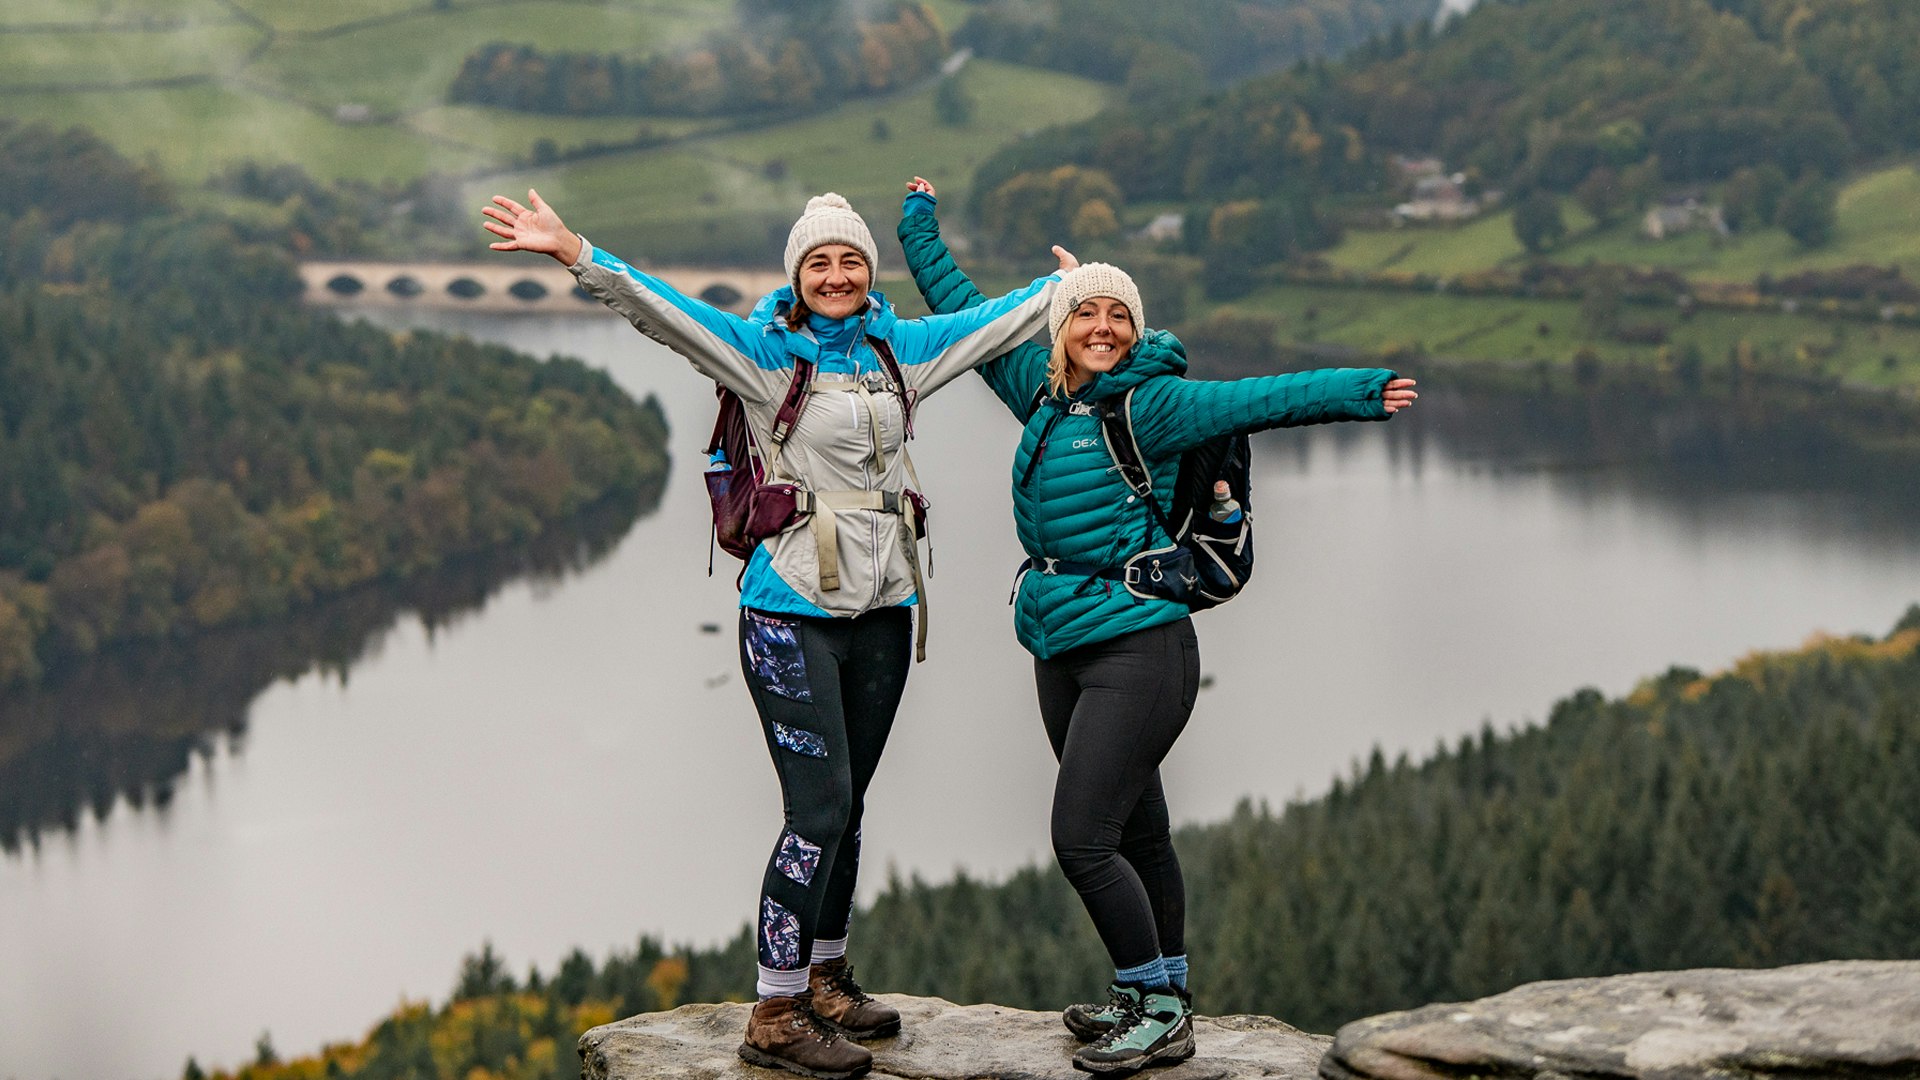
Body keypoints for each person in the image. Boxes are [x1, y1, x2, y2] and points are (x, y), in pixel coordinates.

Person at [484, 188, 1066, 1079]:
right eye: (819, 263)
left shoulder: (897, 349)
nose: (837, 275)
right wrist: (576, 254)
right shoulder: (764, 355)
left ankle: (828, 977)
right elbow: (666, 315)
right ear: (797, 277)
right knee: (818, 808)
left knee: (851, 803)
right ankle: (776, 1009)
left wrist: (1064, 295)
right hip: (789, 612)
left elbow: (986, 328)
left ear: (871, 272)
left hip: (883, 607)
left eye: (851, 261)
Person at [896, 177, 1417, 1074]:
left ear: (1136, 330)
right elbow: (963, 311)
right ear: (1059, 327)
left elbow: (1263, 400)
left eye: (1119, 317)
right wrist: (918, 226)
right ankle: (1150, 990)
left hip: (1141, 648)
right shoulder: (1044, 395)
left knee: (1080, 838)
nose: (1104, 329)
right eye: (1086, 314)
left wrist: (1365, 391)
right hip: (1060, 645)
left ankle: (1161, 1004)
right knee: (1139, 835)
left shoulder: (1154, 404)